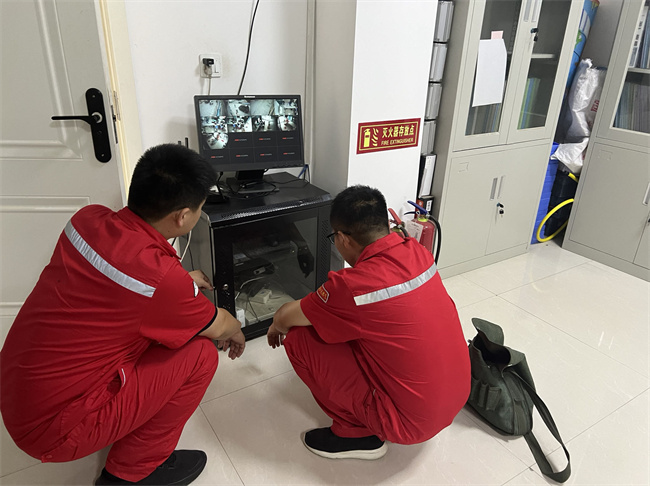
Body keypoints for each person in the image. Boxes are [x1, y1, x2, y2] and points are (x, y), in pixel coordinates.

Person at [0, 144, 245, 485]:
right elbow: (220, 325)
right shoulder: (162, 282)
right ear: (183, 217)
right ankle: (131, 473)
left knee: (161, 333)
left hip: (15, 389)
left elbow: (117, 285)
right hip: (53, 432)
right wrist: (237, 330)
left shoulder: (86, 220)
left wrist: (177, 285)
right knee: (201, 354)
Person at [266, 185, 470, 459]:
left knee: (300, 338)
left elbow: (285, 316)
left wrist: (277, 326)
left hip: (408, 424)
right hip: (456, 396)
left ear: (342, 238)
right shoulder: (418, 251)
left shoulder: (353, 287)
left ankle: (355, 435)